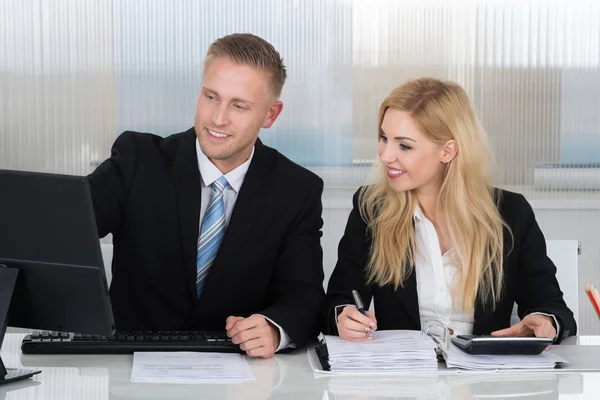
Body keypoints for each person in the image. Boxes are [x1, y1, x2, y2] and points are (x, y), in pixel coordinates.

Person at [88, 33, 325, 358]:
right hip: (132, 366)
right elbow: (66, 228)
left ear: (270, 115)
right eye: (211, 97)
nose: (217, 118)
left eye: (239, 105)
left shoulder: (297, 190)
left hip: (239, 374)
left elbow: (304, 294)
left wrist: (274, 328)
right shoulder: (137, 160)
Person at [322, 77, 576, 343]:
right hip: (405, 377)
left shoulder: (510, 213)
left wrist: (546, 321)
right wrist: (343, 316)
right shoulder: (371, 209)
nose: (385, 155)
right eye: (384, 138)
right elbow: (337, 302)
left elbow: (554, 308)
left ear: (447, 151)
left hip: (484, 379)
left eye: (404, 145)